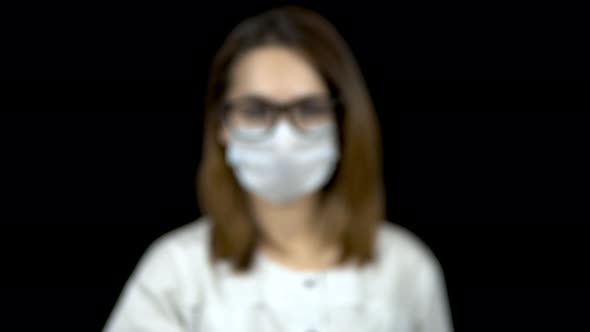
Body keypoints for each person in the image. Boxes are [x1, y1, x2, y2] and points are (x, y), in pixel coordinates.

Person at [103, 5, 453, 332]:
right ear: (222, 126)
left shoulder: (406, 269)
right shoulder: (174, 273)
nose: (283, 137)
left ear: (343, 122)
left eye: (309, 109)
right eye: (256, 111)